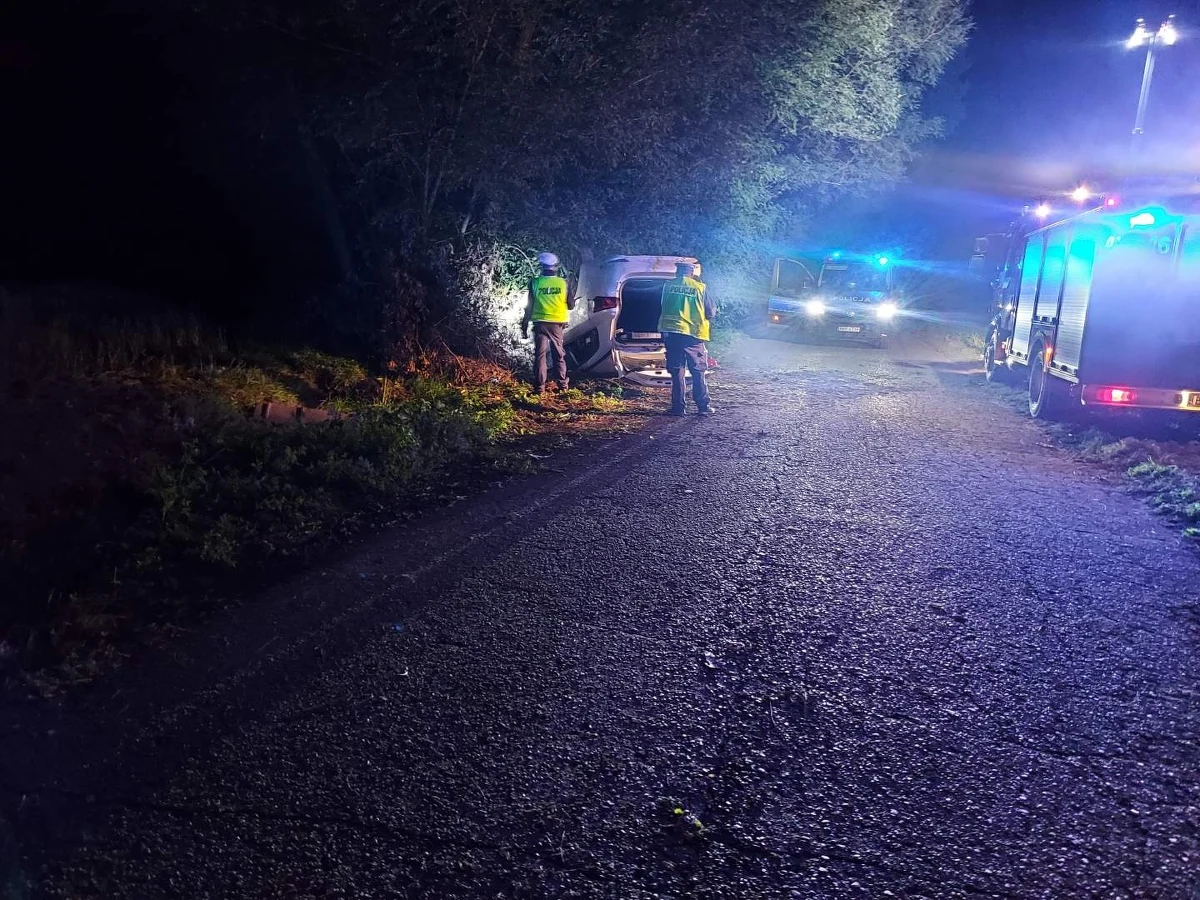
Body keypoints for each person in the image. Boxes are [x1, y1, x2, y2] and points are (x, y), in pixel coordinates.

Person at [658, 259, 715, 416]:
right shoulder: (700, 288)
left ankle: (678, 408)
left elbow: (661, 306)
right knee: (698, 371)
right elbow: (710, 313)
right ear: (692, 273)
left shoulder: (667, 286)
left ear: (677, 272)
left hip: (672, 333)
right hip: (693, 335)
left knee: (677, 372)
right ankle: (703, 407)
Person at [521, 251, 574, 395]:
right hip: (557, 324)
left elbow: (529, 306)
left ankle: (539, 388)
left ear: (541, 266)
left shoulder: (535, 283)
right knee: (559, 354)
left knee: (540, 355)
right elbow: (571, 305)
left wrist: (524, 325)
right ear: (556, 267)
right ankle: (562, 386)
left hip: (540, 324)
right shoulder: (564, 283)